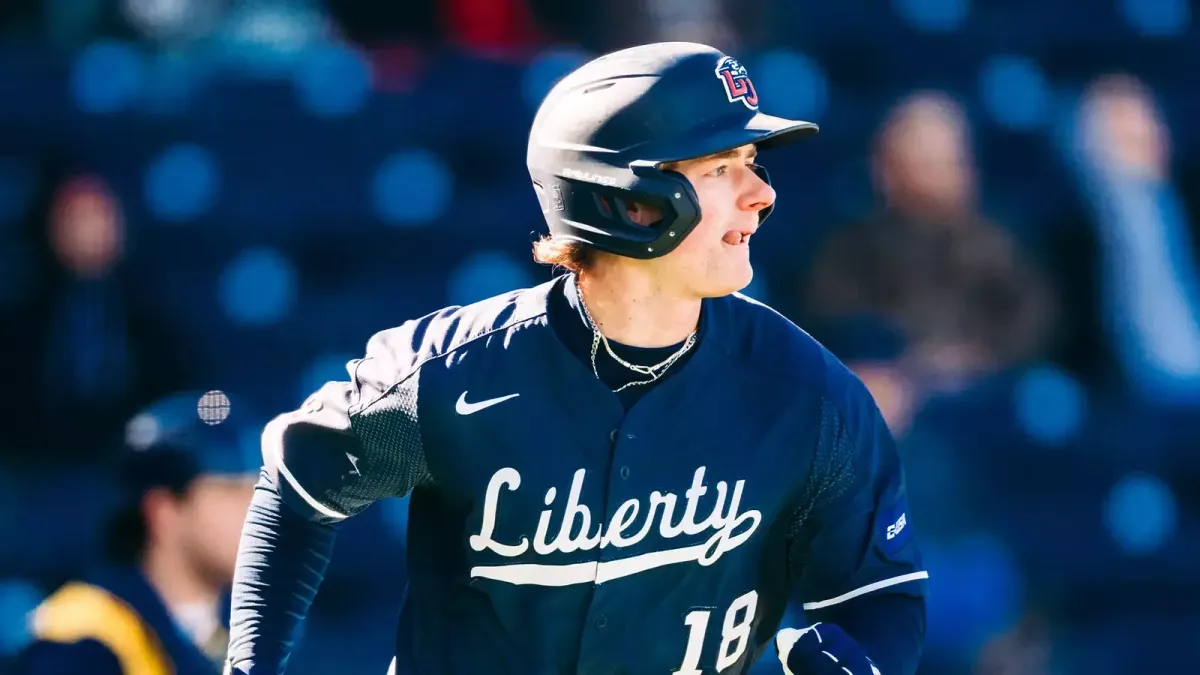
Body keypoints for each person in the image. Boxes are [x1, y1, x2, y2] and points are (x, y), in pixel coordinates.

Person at [224, 41, 928, 675]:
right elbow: (297, 484)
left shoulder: (810, 396)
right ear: (627, 201)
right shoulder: (450, 373)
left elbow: (882, 594)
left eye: (752, 165)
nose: (761, 194)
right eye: (721, 168)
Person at [17, 391, 259, 675]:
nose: (256, 512)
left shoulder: (247, 637)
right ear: (163, 511)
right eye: (231, 493)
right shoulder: (81, 643)